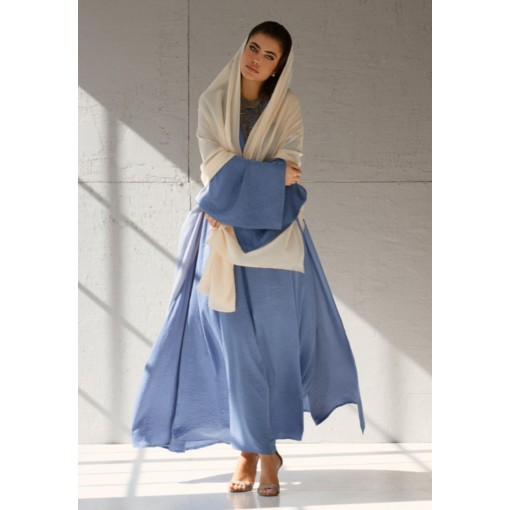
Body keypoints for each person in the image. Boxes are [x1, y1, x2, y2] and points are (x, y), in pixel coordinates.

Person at [131, 21, 365, 497]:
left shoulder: (288, 106)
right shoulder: (212, 102)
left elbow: (290, 169)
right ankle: (250, 450)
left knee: (276, 350)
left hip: (277, 240)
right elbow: (216, 172)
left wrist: (250, 183)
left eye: (269, 56)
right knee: (236, 349)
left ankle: (267, 451)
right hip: (220, 240)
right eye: (253, 48)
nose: (256, 59)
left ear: (279, 67)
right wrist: (265, 179)